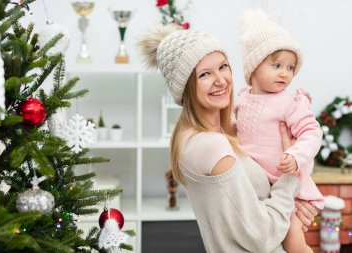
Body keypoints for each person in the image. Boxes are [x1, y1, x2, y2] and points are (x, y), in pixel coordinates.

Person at [139, 24, 318, 253]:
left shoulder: (217, 134)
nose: (221, 80)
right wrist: (290, 180)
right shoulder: (211, 145)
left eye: (223, 67)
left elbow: (261, 209)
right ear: (185, 87)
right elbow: (261, 236)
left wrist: (292, 205)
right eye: (205, 74)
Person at [236, 9, 324, 253]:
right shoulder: (241, 100)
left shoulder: (290, 101)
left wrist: (296, 156)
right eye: (277, 65)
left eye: (290, 67)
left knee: (294, 244)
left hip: (286, 185)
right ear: (254, 67)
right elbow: (237, 132)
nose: (285, 73)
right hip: (258, 189)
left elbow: (311, 132)